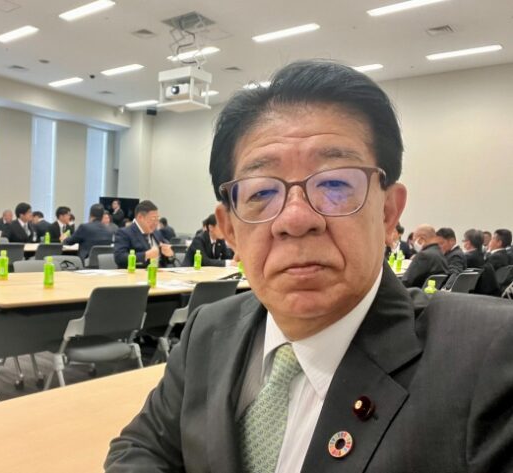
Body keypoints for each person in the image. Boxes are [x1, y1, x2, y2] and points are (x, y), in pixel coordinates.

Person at [105, 60, 513, 473]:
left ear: (388, 212)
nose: (296, 219)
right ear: (229, 228)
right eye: (262, 192)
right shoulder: (209, 330)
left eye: (335, 184)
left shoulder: (489, 356)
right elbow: (139, 449)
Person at [113, 200, 174, 268]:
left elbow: (169, 260)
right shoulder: (124, 233)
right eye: (153, 219)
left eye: (157, 219)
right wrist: (146, 255)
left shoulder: (157, 233)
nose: (156, 223)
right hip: (137, 273)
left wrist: (169, 255)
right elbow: (120, 258)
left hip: (159, 272)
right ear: (140, 217)